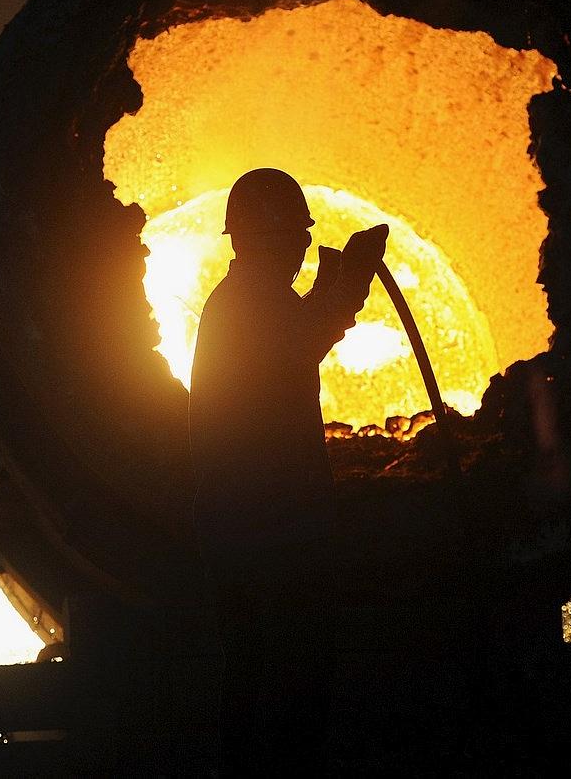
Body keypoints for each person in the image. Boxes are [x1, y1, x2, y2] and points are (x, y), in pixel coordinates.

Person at [189, 167, 387, 772]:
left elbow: (301, 330)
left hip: (253, 530)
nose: (304, 243)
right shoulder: (246, 305)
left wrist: (342, 279)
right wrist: (348, 277)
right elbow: (303, 336)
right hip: (267, 533)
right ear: (266, 237)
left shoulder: (245, 301)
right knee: (283, 685)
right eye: (297, 233)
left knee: (260, 685)